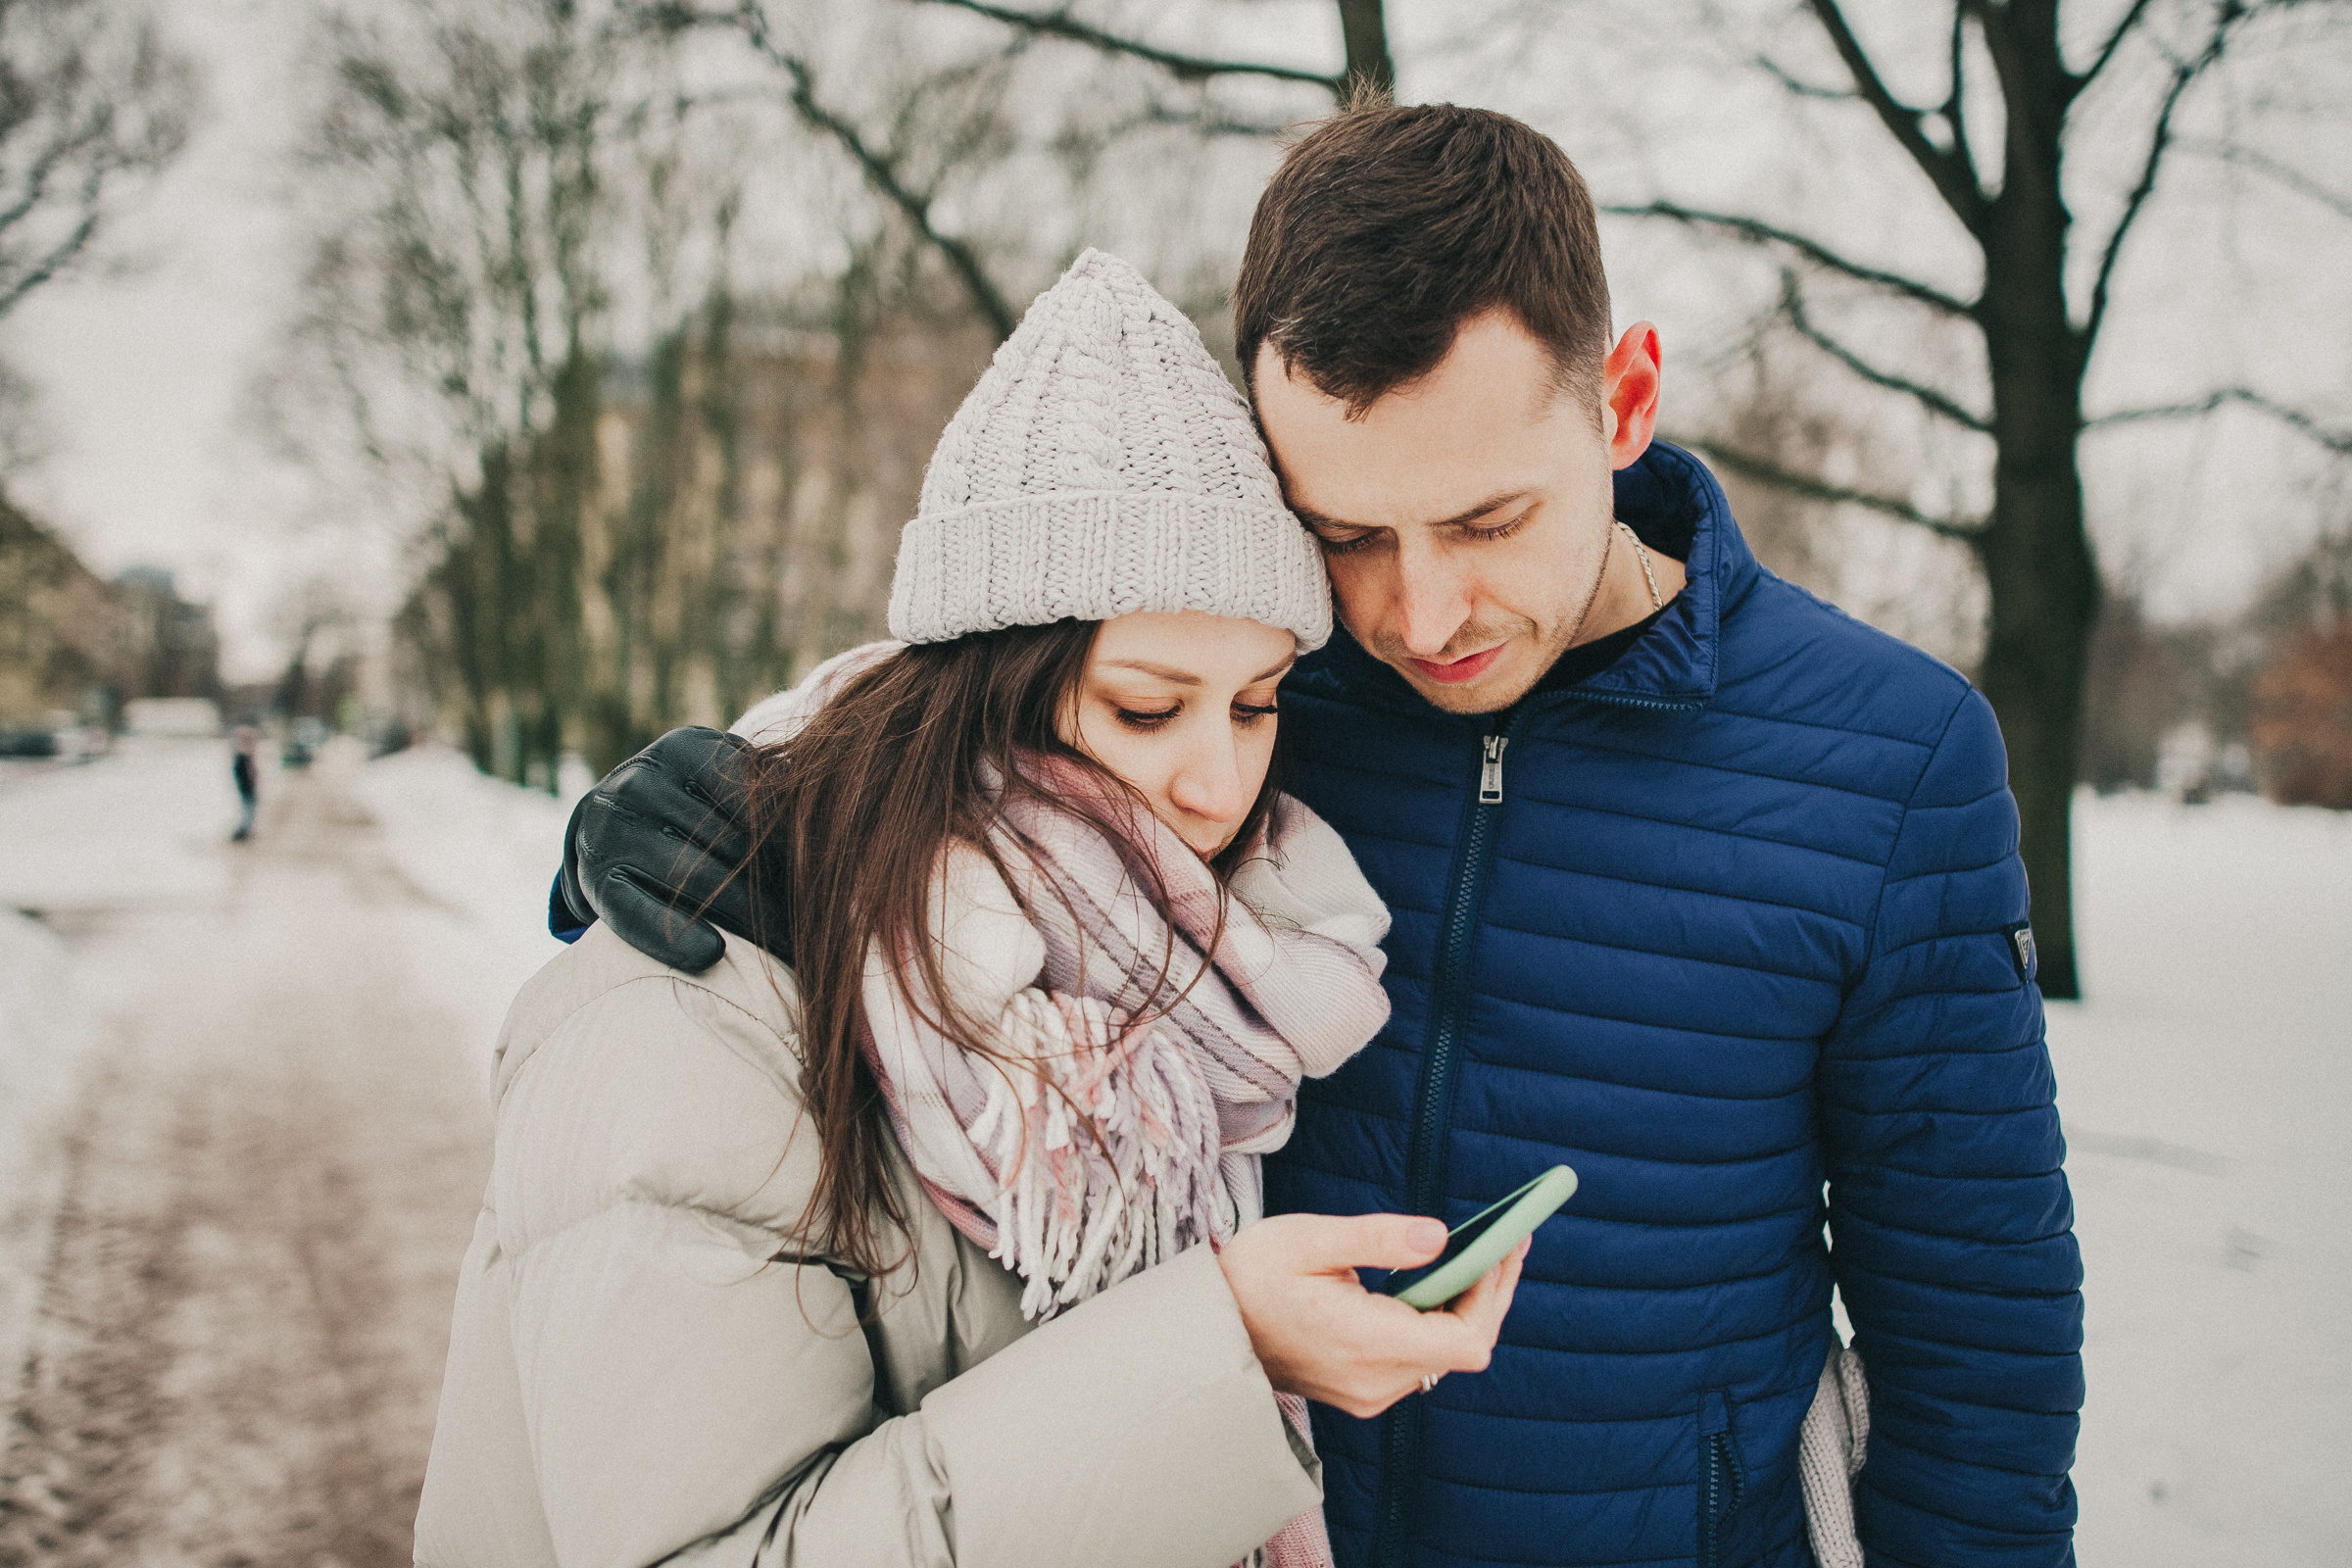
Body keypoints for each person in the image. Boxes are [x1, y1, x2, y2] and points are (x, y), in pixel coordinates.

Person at [559, 109, 2085, 1568]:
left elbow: (1976, 1337)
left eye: (1487, 521)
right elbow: (966, 729)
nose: (1419, 617)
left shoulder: (1891, 758)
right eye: (1348, 534)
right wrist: (732, 810)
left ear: (1621, 403)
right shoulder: (1258, 686)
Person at [416, 251, 1530, 1568]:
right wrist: (1216, 1355)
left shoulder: (1196, 982)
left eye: (1257, 701)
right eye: (1147, 706)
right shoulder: (701, 990)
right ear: (988, 683)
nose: (1219, 780)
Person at [229, 722, 260, 841]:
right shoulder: (245, 756)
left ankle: (244, 830)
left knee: (247, 805)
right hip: (246, 784)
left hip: (244, 783)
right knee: (249, 805)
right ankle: (244, 830)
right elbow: (251, 772)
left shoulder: (240, 756)